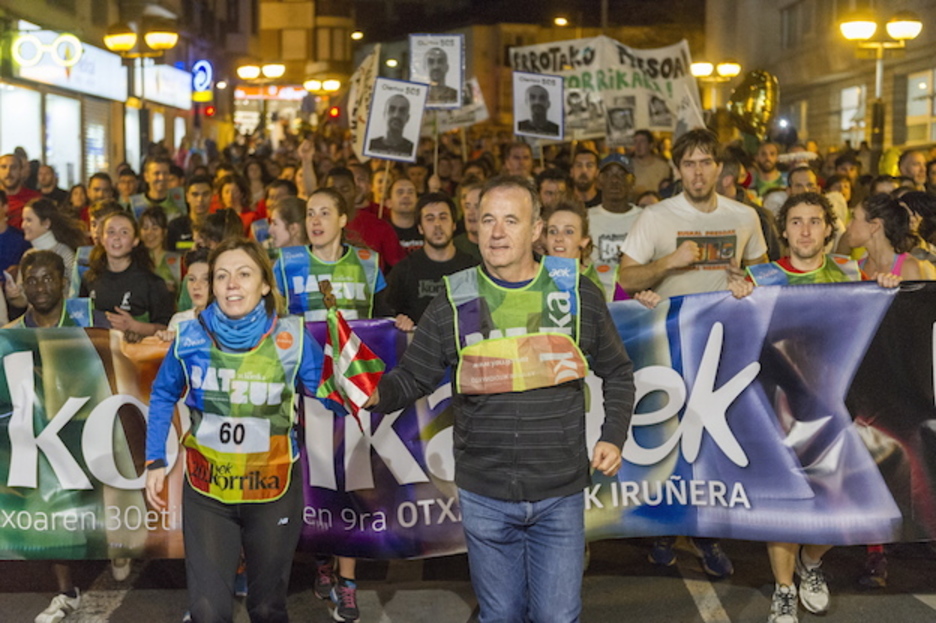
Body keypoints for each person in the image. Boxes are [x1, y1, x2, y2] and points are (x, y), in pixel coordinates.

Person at [366, 175, 634, 622]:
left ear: (535, 231)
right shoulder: (458, 295)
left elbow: (619, 372)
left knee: (558, 617)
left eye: (511, 220)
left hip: (559, 495)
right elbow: (413, 377)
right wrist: (373, 394)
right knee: (500, 616)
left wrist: (613, 436)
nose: (496, 231)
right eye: (487, 219)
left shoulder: (573, 292)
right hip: (485, 495)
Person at [728, 192, 900, 623]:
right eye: (797, 221)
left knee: (847, 505)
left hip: (835, 408)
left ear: (828, 229)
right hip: (774, 408)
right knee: (782, 506)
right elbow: (730, 333)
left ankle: (811, 561)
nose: (805, 230)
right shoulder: (761, 277)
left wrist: (882, 291)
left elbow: (871, 330)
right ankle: (784, 589)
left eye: (815, 221)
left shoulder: (847, 272)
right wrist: (735, 298)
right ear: (783, 230)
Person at [145, 238, 328, 623]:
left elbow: (331, 396)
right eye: (222, 276)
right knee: (207, 611)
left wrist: (357, 386)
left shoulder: (291, 338)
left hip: (272, 490)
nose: (232, 285)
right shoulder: (190, 336)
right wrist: (154, 460)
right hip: (208, 491)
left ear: (265, 284)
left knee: (266, 607)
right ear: (211, 286)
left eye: (244, 274)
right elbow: (163, 394)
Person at [619, 129, 768, 577]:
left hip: (726, 350)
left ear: (720, 169)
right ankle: (666, 529)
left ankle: (706, 535)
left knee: (712, 446)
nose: (698, 171)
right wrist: (668, 263)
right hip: (668, 347)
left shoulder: (745, 217)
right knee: (669, 442)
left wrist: (750, 284)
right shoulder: (656, 218)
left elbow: (763, 277)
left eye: (706, 162)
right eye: (689, 163)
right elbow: (627, 278)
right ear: (677, 169)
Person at [384, 192, 478, 330]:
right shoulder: (403, 270)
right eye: (430, 219)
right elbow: (384, 313)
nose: (437, 224)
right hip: (418, 347)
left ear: (454, 224)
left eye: (443, 217)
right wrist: (398, 319)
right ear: (420, 228)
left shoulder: (472, 268)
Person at [79, 211, 174, 342]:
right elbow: (79, 318)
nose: (117, 237)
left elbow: (167, 329)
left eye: (124, 232)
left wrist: (135, 326)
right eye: (111, 232)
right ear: (101, 239)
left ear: (135, 240)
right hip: (96, 352)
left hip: (137, 355)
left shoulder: (152, 282)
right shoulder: (89, 278)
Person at [588, 154, 642, 300]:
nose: (615, 180)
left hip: (634, 302)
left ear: (632, 181)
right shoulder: (586, 218)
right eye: (608, 175)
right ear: (599, 181)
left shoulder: (645, 219)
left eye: (622, 175)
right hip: (596, 300)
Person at [20, 198, 85, 278]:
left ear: (46, 223)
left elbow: (72, 287)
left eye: (29, 220)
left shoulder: (64, 254)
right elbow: (21, 287)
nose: (23, 225)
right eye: (23, 220)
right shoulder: (27, 255)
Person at [168, 175, 214, 251]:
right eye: (195, 195)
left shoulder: (221, 226)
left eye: (205, 194)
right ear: (187, 197)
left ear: (212, 196)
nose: (200, 199)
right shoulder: (175, 227)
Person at [0, 152, 41, 229]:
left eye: (13, 167)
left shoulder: (35, 199)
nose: (8, 172)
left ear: (21, 171)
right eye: (3, 167)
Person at [453, 178, 482, 260]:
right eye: (467, 206)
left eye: (477, 206)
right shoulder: (453, 248)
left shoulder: (500, 246)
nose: (470, 212)